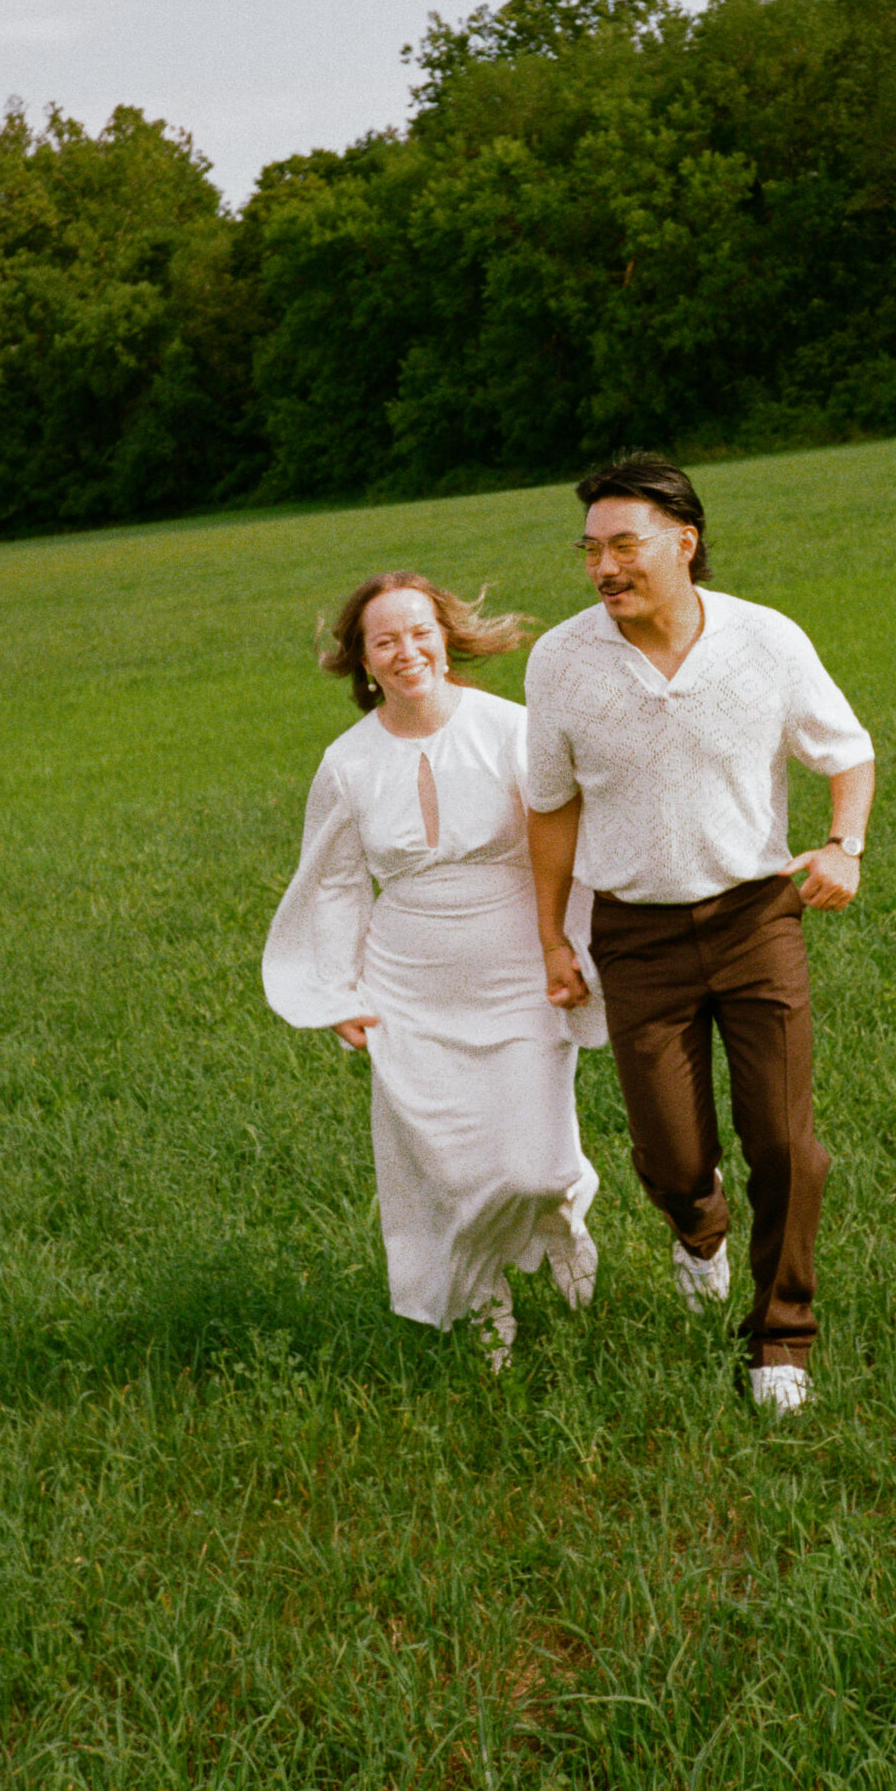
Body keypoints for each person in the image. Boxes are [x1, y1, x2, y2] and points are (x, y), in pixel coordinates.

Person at [524, 454, 875, 1413]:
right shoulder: (560, 659)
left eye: (623, 544)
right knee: (672, 1156)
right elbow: (549, 810)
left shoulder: (766, 641)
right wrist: (555, 936)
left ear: (685, 544)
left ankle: (781, 1341)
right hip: (634, 933)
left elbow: (848, 753)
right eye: (591, 549)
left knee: (787, 1145)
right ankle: (700, 1229)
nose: (604, 566)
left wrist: (844, 845)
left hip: (758, 916)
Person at [263, 572, 602, 1368]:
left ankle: (555, 1212)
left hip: (520, 972)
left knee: (533, 1165)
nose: (407, 651)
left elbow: (566, 849)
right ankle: (484, 1300)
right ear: (364, 664)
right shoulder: (346, 762)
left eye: (420, 632)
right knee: (449, 1166)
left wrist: (573, 946)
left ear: (447, 637)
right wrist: (337, 991)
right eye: (386, 641)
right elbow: (339, 882)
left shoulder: (511, 729)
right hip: (408, 990)